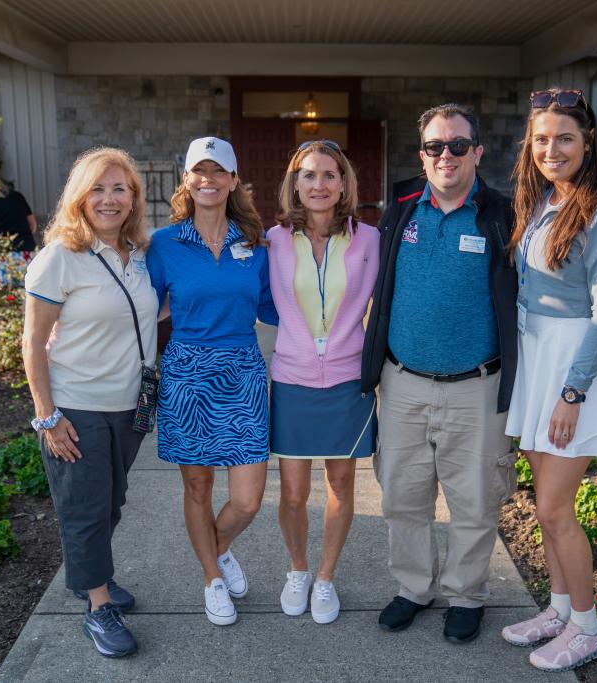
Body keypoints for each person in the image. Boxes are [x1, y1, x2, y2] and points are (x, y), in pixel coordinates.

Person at [360, 103, 519, 643]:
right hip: (402, 383)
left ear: (478, 152)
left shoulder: (502, 216)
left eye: (457, 145)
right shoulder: (400, 210)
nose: (445, 155)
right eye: (435, 146)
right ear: (421, 154)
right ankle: (413, 588)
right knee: (402, 496)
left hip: (478, 387)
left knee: (474, 501)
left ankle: (466, 595)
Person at [499, 88, 597, 672]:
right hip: (536, 359)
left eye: (565, 139)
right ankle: (558, 611)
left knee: (556, 509)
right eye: (542, 139)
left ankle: (587, 626)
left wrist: (573, 393)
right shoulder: (541, 203)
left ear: (588, 142)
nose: (551, 150)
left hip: (573, 367)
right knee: (543, 504)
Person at [23, 147, 157, 658]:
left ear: (134, 199)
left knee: (112, 502)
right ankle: (98, 606)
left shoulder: (138, 254)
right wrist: (47, 416)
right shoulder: (60, 257)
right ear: (79, 197)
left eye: (120, 188)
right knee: (86, 508)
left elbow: (147, 312)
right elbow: (32, 342)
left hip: (130, 405)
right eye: (97, 189)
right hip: (76, 406)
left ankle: (91, 575)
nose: (109, 199)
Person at [146, 137, 278, 627]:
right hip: (188, 375)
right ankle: (211, 578)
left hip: (243, 372)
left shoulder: (255, 243)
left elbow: (275, 307)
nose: (208, 179)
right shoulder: (164, 244)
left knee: (247, 499)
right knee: (198, 488)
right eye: (199, 171)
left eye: (218, 171)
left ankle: (216, 550)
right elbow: (142, 309)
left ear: (233, 180)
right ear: (186, 180)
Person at [267, 141, 380, 624]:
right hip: (292, 378)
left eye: (329, 175)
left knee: (340, 483)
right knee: (293, 493)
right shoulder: (272, 240)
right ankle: (298, 570)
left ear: (343, 183)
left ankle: (326, 576)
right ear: (295, 184)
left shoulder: (370, 239)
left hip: (347, 380)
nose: (319, 185)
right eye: (309, 175)